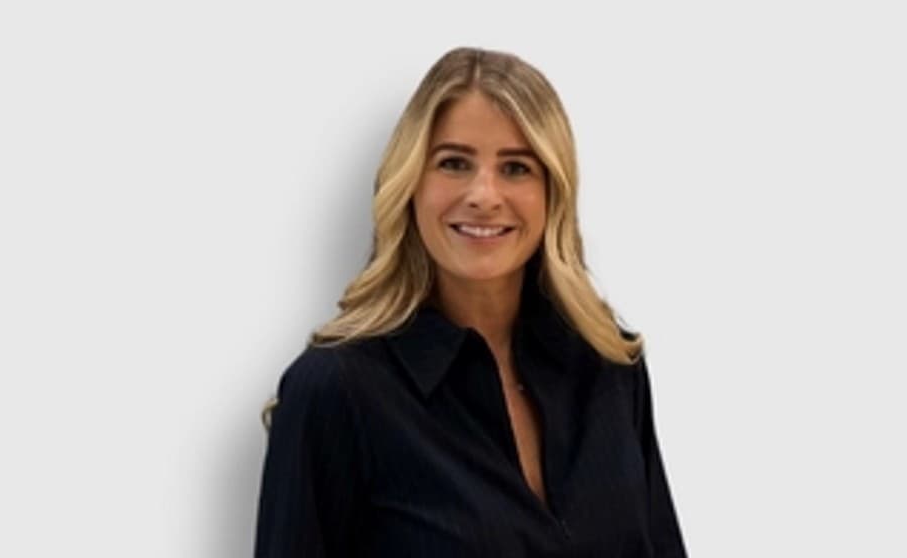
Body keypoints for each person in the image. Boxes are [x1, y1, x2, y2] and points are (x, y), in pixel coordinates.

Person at [254, 47, 687, 557]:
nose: (484, 194)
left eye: (516, 168)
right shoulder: (335, 390)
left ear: (553, 192)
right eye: (454, 163)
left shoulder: (611, 366)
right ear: (410, 183)